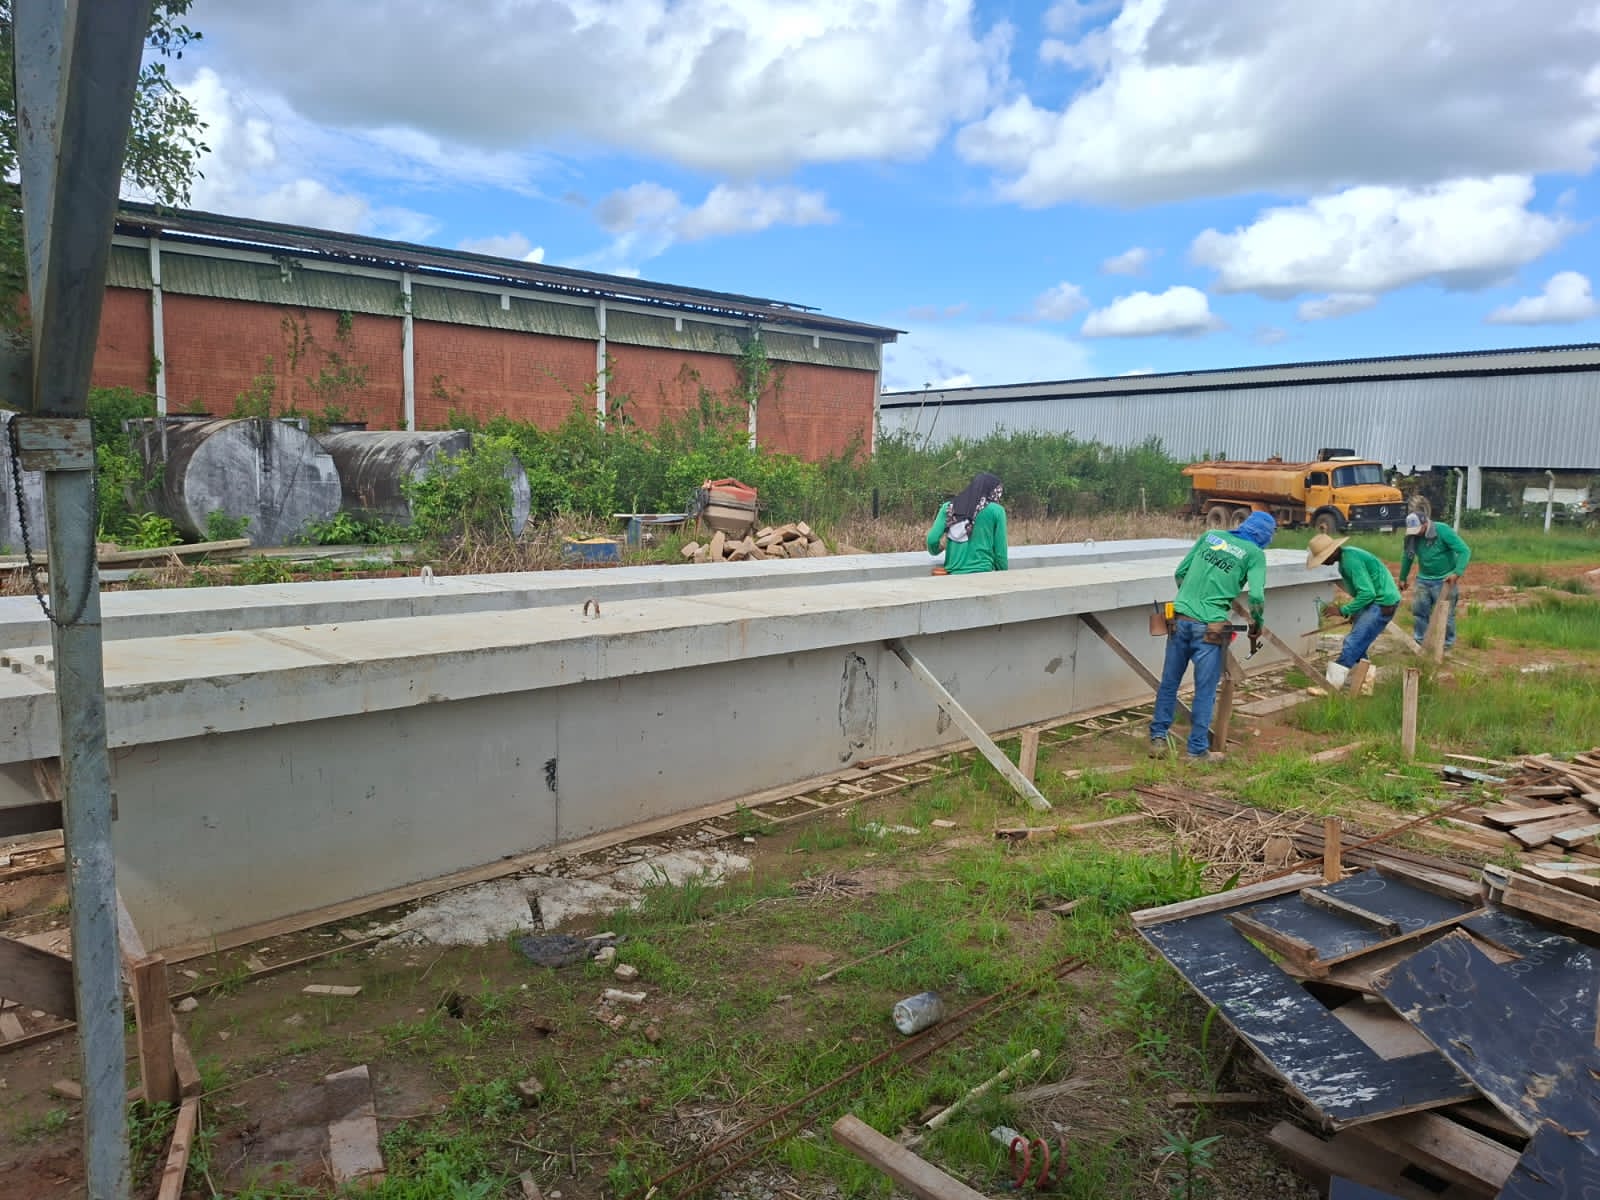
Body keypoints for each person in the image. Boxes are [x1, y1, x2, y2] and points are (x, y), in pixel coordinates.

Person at [1149, 511, 1275, 762]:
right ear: (1265, 536)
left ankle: (1158, 739)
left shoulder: (1211, 536)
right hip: (1209, 628)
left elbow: (1180, 572)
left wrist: (1191, 599)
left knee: (1169, 682)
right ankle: (1196, 750)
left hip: (1180, 619)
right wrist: (1257, 622)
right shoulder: (1254, 554)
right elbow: (1257, 597)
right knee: (1204, 689)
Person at [1307, 533, 1400, 688]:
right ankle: (1365, 684)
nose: (1323, 563)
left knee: (1353, 642)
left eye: (1323, 559)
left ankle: (1331, 686)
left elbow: (1367, 593)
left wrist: (1343, 610)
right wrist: (1357, 612)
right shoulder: (1347, 558)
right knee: (1360, 645)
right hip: (1378, 601)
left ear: (1332, 552)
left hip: (1382, 603)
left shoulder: (1350, 562)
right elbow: (1364, 592)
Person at [1399, 502, 1471, 651]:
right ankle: (1421, 643)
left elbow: (1464, 551)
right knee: (1420, 612)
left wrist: (1456, 573)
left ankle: (1446, 645)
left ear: (1426, 523)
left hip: (1444, 580)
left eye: (1419, 529)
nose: (1417, 533)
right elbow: (1408, 557)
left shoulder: (1442, 530)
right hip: (1423, 580)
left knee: (1446, 615)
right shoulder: (1412, 537)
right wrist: (1402, 577)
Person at [927, 472, 1008, 574]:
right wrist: (1003, 573)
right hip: (983, 572)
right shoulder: (997, 511)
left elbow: (931, 540)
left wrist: (938, 549)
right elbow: (1000, 552)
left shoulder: (949, 507)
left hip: (953, 573)